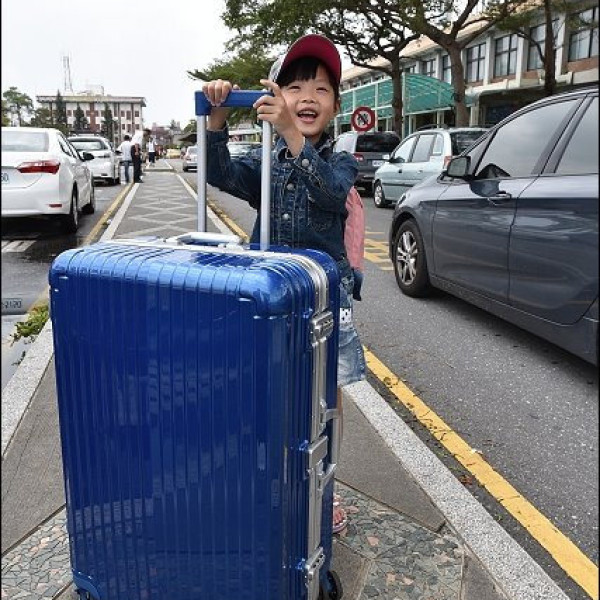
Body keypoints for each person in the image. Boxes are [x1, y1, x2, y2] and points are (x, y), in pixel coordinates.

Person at [203, 33, 366, 535]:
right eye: (295, 87)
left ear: (335, 105)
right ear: (275, 97)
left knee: (323, 400)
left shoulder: (341, 161)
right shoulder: (265, 163)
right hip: (269, 300)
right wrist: (217, 118)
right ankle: (268, 480)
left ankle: (323, 487)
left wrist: (292, 134)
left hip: (323, 303)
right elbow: (219, 173)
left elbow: (331, 194)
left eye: (321, 88)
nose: (307, 97)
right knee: (266, 393)